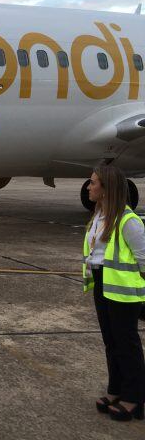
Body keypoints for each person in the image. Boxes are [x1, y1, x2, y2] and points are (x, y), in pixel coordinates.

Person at [83, 163, 145, 421]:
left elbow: (144, 258)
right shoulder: (99, 216)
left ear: (106, 189)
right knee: (111, 342)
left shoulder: (128, 221)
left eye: (94, 182)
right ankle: (116, 389)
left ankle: (135, 398)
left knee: (126, 343)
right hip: (103, 284)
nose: (89, 186)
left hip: (124, 291)